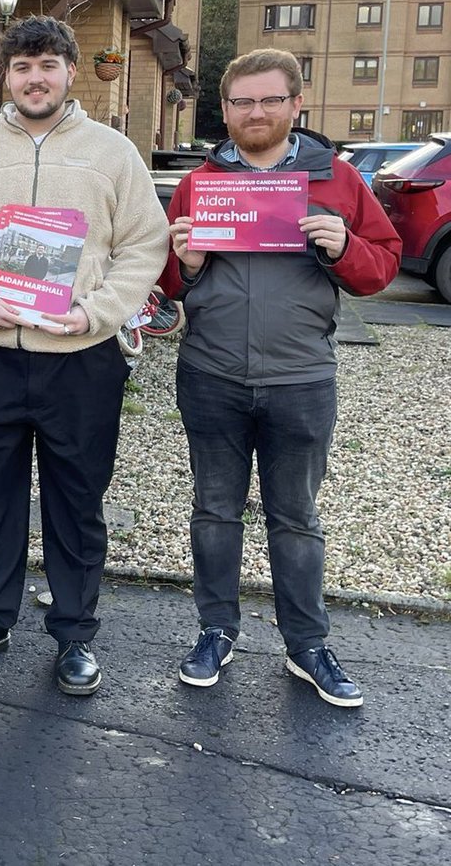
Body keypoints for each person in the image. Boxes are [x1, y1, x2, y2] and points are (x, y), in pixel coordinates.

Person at [0, 16, 167, 696]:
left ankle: (74, 634)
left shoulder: (113, 154)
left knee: (76, 500)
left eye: (49, 65)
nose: (36, 78)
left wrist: (96, 311)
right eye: (24, 66)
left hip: (80, 358)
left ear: (69, 72)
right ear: (8, 76)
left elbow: (144, 247)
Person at [160, 48, 401, 708]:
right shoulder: (199, 184)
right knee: (214, 511)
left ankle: (307, 645)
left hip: (301, 378)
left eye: (270, 100)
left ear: (297, 104)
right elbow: (167, 284)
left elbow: (381, 268)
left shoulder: (339, 180)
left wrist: (346, 246)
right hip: (210, 373)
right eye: (242, 102)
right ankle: (216, 630)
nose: (255, 112)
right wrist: (186, 262)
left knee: (295, 517)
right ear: (227, 111)